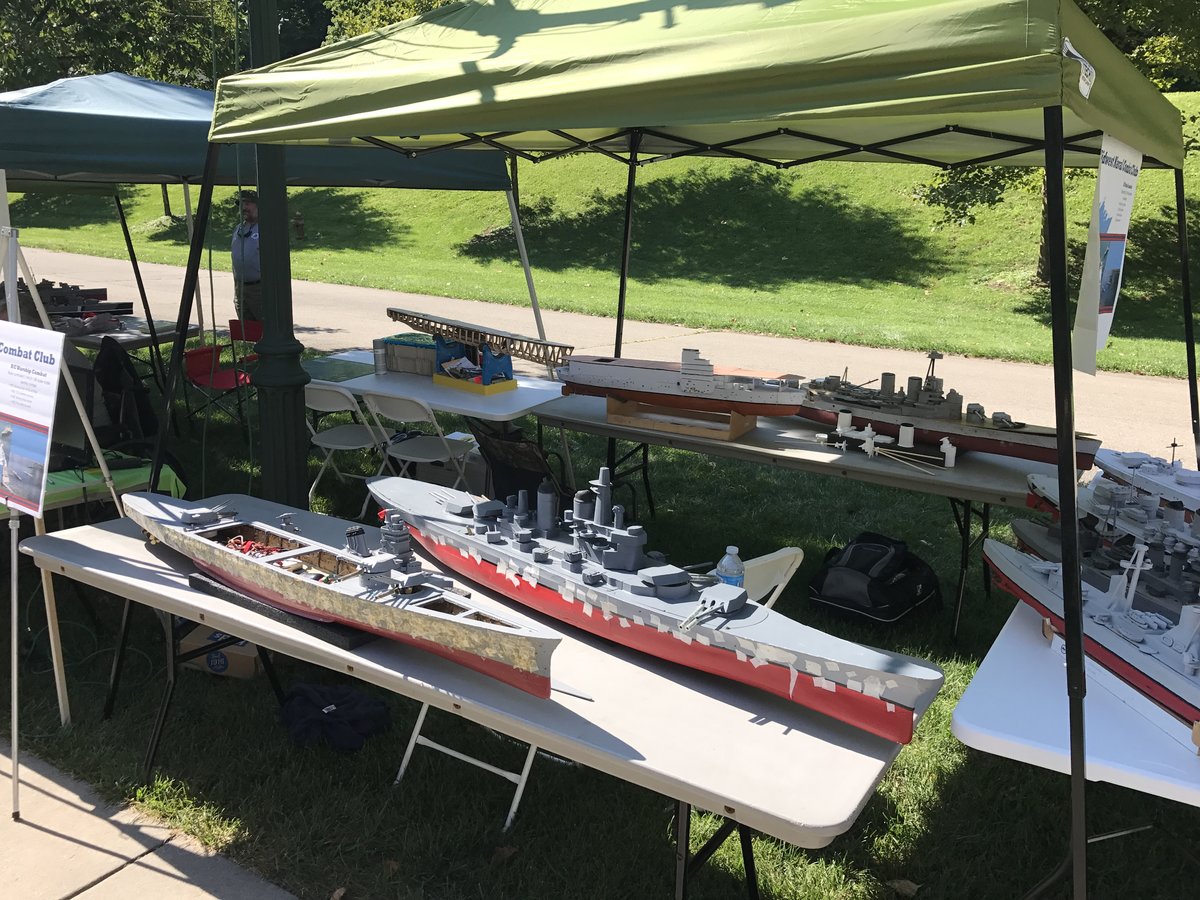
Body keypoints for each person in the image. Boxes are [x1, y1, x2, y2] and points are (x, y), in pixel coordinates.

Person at [231, 189, 262, 321]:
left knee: (263, 327)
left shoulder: (265, 228)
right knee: (245, 328)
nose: (244, 207)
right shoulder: (238, 228)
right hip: (241, 289)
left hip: (259, 290)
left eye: (248, 203)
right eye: (241, 204)